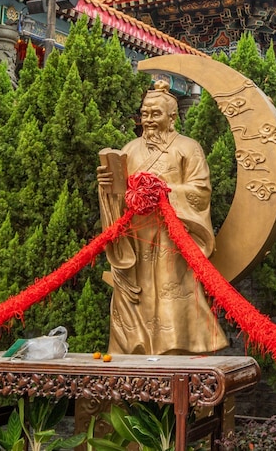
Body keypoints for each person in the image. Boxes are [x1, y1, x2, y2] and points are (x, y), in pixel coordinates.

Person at [97, 80, 228, 354]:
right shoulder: (130, 149)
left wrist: (162, 192)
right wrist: (108, 186)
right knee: (134, 297)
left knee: (173, 295)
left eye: (156, 114)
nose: (149, 120)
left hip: (172, 239)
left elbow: (200, 191)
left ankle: (182, 346)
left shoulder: (188, 148)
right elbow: (118, 196)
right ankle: (132, 348)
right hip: (135, 239)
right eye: (145, 113)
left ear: (172, 117)